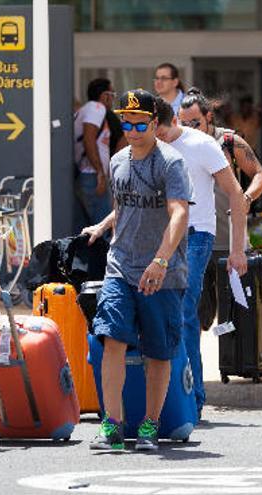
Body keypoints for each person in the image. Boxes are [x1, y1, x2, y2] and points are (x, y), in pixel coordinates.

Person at [82, 89, 191, 451]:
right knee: (112, 339)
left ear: (155, 123)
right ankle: (112, 425)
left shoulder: (171, 163)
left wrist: (160, 260)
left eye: (139, 122)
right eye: (125, 122)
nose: (131, 129)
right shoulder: (117, 161)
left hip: (162, 271)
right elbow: (125, 207)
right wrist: (102, 226)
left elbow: (179, 213)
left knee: (158, 352)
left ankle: (150, 425)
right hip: (120, 267)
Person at [154, 95, 249, 418]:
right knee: (166, 312)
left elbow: (236, 193)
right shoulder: (146, 146)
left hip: (197, 235)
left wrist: (238, 249)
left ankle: (192, 397)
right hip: (160, 236)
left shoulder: (203, 145)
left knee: (183, 310)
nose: (158, 139)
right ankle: (174, 392)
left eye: (162, 133)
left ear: (173, 122)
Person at [178, 88, 262, 334]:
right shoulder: (177, 142)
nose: (188, 128)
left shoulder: (229, 141)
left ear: (209, 117)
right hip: (194, 240)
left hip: (228, 240)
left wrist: (247, 197)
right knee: (195, 313)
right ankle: (193, 367)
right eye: (182, 123)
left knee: (234, 315)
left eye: (194, 122)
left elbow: (260, 174)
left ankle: (234, 363)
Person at [74, 78, 117, 228]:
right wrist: (100, 173)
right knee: (102, 226)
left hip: (90, 175)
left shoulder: (88, 109)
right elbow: (89, 139)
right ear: (105, 96)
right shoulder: (96, 108)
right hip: (91, 175)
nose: (112, 100)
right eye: (112, 95)